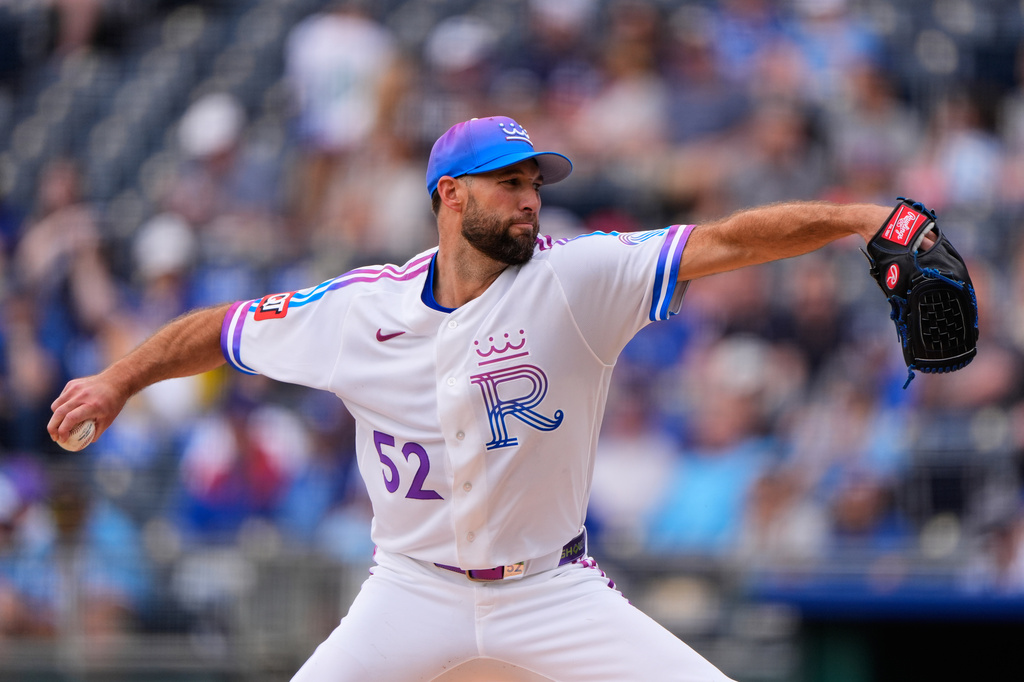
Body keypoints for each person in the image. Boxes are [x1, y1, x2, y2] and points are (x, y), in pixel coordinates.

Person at [50, 115, 897, 681]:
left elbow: (726, 241)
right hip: (409, 589)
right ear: (450, 195)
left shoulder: (579, 279)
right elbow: (223, 328)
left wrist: (859, 218)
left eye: (534, 181)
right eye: (506, 182)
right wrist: (119, 378)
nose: (529, 197)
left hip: (550, 589)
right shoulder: (360, 310)